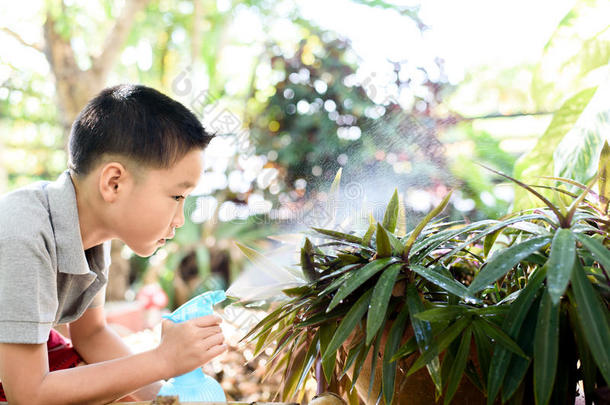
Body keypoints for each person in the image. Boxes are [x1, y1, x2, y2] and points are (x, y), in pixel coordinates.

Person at [0, 84, 227, 404]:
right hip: (18, 383)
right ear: (113, 183)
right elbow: (29, 395)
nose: (180, 220)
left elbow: (90, 335)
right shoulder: (23, 235)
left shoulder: (90, 236)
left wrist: (163, 396)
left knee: (117, 389)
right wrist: (162, 360)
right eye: (177, 196)